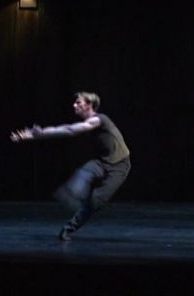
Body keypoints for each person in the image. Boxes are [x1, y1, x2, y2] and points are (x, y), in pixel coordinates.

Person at [10, 92, 131, 241]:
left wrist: (40, 133)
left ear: (89, 105)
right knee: (85, 171)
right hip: (102, 162)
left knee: (96, 201)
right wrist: (34, 135)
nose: (74, 105)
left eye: (79, 103)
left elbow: (70, 130)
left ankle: (69, 227)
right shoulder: (91, 122)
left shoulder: (99, 119)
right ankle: (73, 195)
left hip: (120, 166)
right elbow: (67, 128)